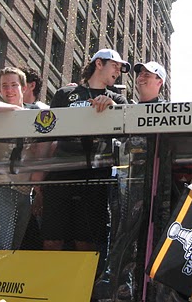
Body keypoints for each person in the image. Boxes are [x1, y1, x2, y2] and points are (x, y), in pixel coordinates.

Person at [41, 48, 130, 252]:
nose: (118, 72)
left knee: (86, 242)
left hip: (96, 177)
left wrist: (112, 109)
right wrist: (39, 177)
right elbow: (48, 135)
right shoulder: (65, 94)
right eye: (114, 66)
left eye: (119, 68)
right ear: (99, 63)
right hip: (60, 174)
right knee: (52, 240)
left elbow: (126, 138)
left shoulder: (118, 100)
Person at [0, 67, 38, 250]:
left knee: (15, 246)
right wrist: (15, 109)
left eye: (14, 85)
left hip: (25, 190)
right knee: (1, 245)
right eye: (4, 86)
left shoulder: (35, 113)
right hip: (1, 185)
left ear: (24, 88)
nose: (9, 90)